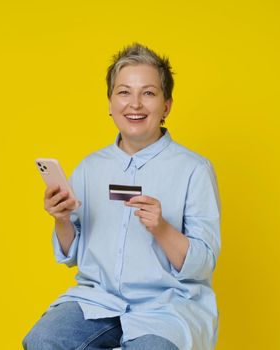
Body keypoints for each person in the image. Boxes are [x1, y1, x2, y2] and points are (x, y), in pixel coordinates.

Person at [23, 43, 221, 350]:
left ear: (166, 105)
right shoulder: (90, 168)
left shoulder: (194, 170)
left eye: (149, 93)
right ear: (110, 103)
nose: (135, 104)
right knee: (42, 341)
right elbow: (73, 254)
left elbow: (204, 263)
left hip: (166, 307)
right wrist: (61, 219)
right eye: (124, 92)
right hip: (98, 300)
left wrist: (162, 228)